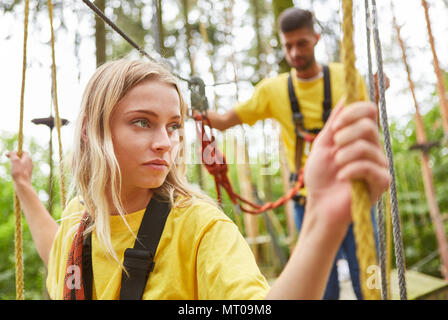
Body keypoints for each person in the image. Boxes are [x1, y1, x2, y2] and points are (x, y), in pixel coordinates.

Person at [7, 58, 389, 300]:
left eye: (173, 126)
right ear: (92, 131)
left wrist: (324, 219)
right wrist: (24, 186)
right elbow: (55, 249)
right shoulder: (79, 222)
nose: (165, 143)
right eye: (143, 122)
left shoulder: (198, 226)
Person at [202, 8, 380, 300]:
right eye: (288, 45)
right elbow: (223, 121)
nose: (295, 52)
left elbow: (366, 123)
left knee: (368, 282)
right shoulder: (273, 90)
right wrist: (191, 112)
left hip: (353, 194)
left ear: (316, 39)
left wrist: (376, 94)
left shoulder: (346, 78)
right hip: (306, 201)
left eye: (302, 43)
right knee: (324, 287)